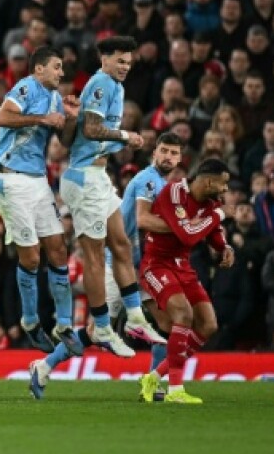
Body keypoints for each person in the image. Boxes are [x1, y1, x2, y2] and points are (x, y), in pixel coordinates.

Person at [30, 132, 182, 399]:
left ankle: (151, 382)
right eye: (164, 151)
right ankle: (44, 366)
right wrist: (185, 228)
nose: (168, 157)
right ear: (154, 152)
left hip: (143, 267)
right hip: (119, 267)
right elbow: (143, 221)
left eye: (174, 153)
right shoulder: (148, 180)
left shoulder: (163, 184)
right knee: (98, 331)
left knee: (167, 324)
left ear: (180, 158)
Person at [58, 36, 163, 358]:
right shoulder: (101, 83)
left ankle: (133, 317)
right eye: (119, 60)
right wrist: (125, 136)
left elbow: (72, 135)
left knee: (122, 243)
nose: (124, 67)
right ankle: (101, 326)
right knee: (93, 255)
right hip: (83, 178)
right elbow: (91, 129)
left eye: (128, 62)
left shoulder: (115, 87)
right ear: (104, 59)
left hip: (98, 177)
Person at [0, 46, 82, 354]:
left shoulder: (56, 98)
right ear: (39, 69)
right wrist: (44, 118)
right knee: (31, 258)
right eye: (56, 67)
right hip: (11, 178)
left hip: (38, 180)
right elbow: (1, 117)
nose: (61, 73)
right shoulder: (27, 87)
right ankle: (30, 322)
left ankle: (65, 325)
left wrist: (69, 118)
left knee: (58, 249)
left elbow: (65, 142)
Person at [136, 159, 235, 405]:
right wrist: (220, 214)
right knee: (183, 314)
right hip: (156, 265)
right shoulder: (174, 193)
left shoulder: (211, 203)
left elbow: (211, 230)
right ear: (209, 181)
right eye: (223, 184)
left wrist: (224, 247)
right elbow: (188, 235)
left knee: (208, 324)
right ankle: (175, 389)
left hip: (183, 267)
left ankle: (153, 377)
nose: (225, 190)